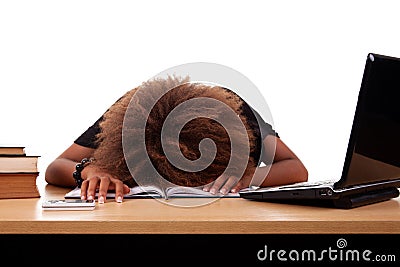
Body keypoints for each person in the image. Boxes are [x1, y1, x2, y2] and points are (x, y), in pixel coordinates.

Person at [45, 76, 308, 203]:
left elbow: (296, 167)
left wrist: (246, 178)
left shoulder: (238, 113)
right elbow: (56, 167)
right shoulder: (130, 114)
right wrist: (91, 170)